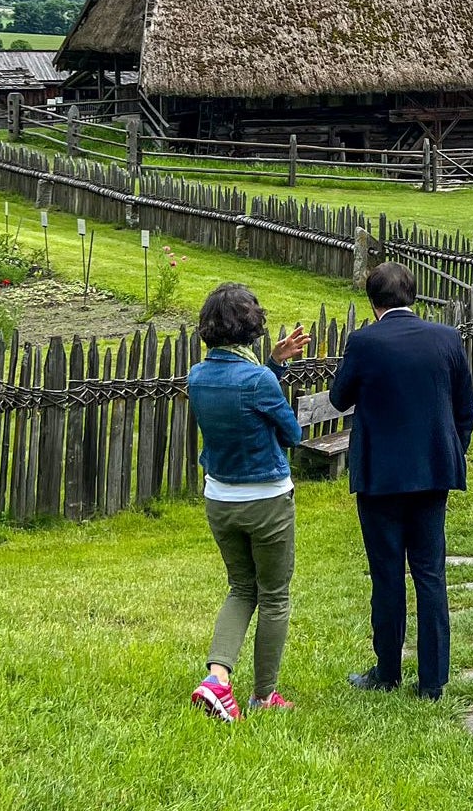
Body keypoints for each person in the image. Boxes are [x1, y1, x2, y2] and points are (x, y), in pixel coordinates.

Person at [330, 261, 473, 701]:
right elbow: (465, 407)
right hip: (433, 472)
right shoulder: (447, 338)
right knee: (431, 573)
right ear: (413, 295)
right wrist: (453, 451)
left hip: (381, 476)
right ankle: (433, 680)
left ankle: (388, 671)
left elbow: (338, 399)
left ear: (372, 301)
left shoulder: (364, 342)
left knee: (387, 574)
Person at [187, 282, 310, 722]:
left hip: (220, 499)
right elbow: (292, 434)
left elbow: (242, 403)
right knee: (274, 596)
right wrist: (272, 372)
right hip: (267, 501)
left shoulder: (197, 376)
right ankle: (264, 695)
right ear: (251, 327)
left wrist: (275, 363)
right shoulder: (257, 379)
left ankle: (217, 679)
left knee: (241, 588)